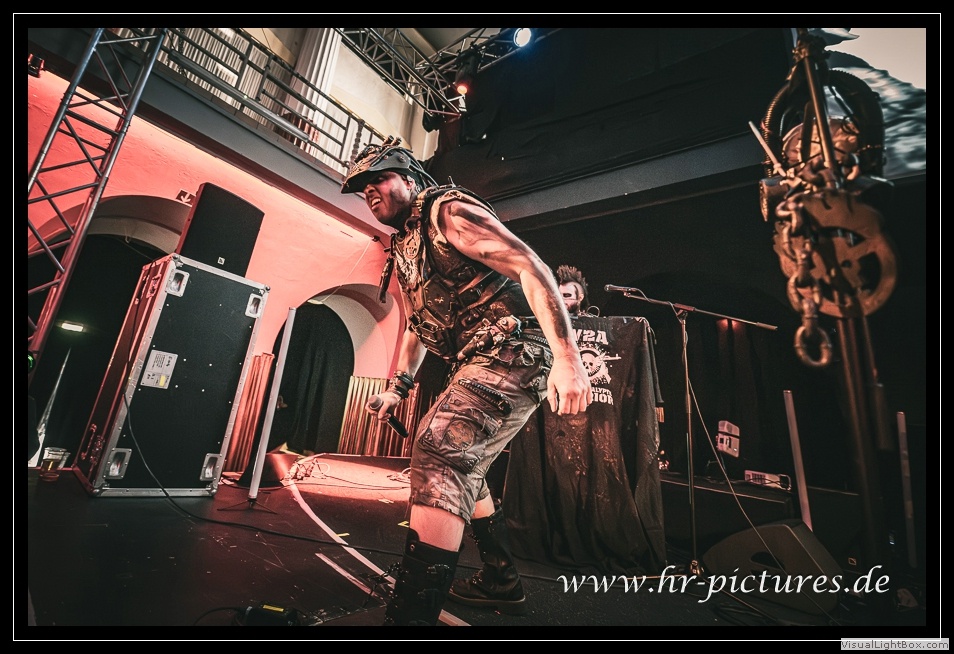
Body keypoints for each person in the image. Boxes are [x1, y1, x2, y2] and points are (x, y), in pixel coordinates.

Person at [341, 136, 592, 626]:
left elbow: (529, 265)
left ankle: (410, 618)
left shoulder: (447, 211)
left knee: (441, 449)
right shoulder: (406, 246)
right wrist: (398, 387)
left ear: (409, 178)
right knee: (459, 459)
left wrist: (569, 357)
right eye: (362, 187)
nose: (370, 191)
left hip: (516, 347)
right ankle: (500, 579)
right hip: (477, 357)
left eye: (379, 179)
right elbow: (418, 325)